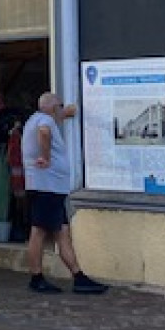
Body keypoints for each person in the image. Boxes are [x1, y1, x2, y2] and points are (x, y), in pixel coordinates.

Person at [21, 91, 108, 295]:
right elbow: (44, 132)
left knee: (62, 232)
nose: (61, 109)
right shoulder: (44, 122)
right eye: (59, 106)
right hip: (47, 187)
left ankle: (79, 277)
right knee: (39, 231)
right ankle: (36, 277)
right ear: (53, 107)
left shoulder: (36, 118)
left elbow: (49, 122)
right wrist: (46, 156)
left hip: (49, 188)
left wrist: (64, 114)